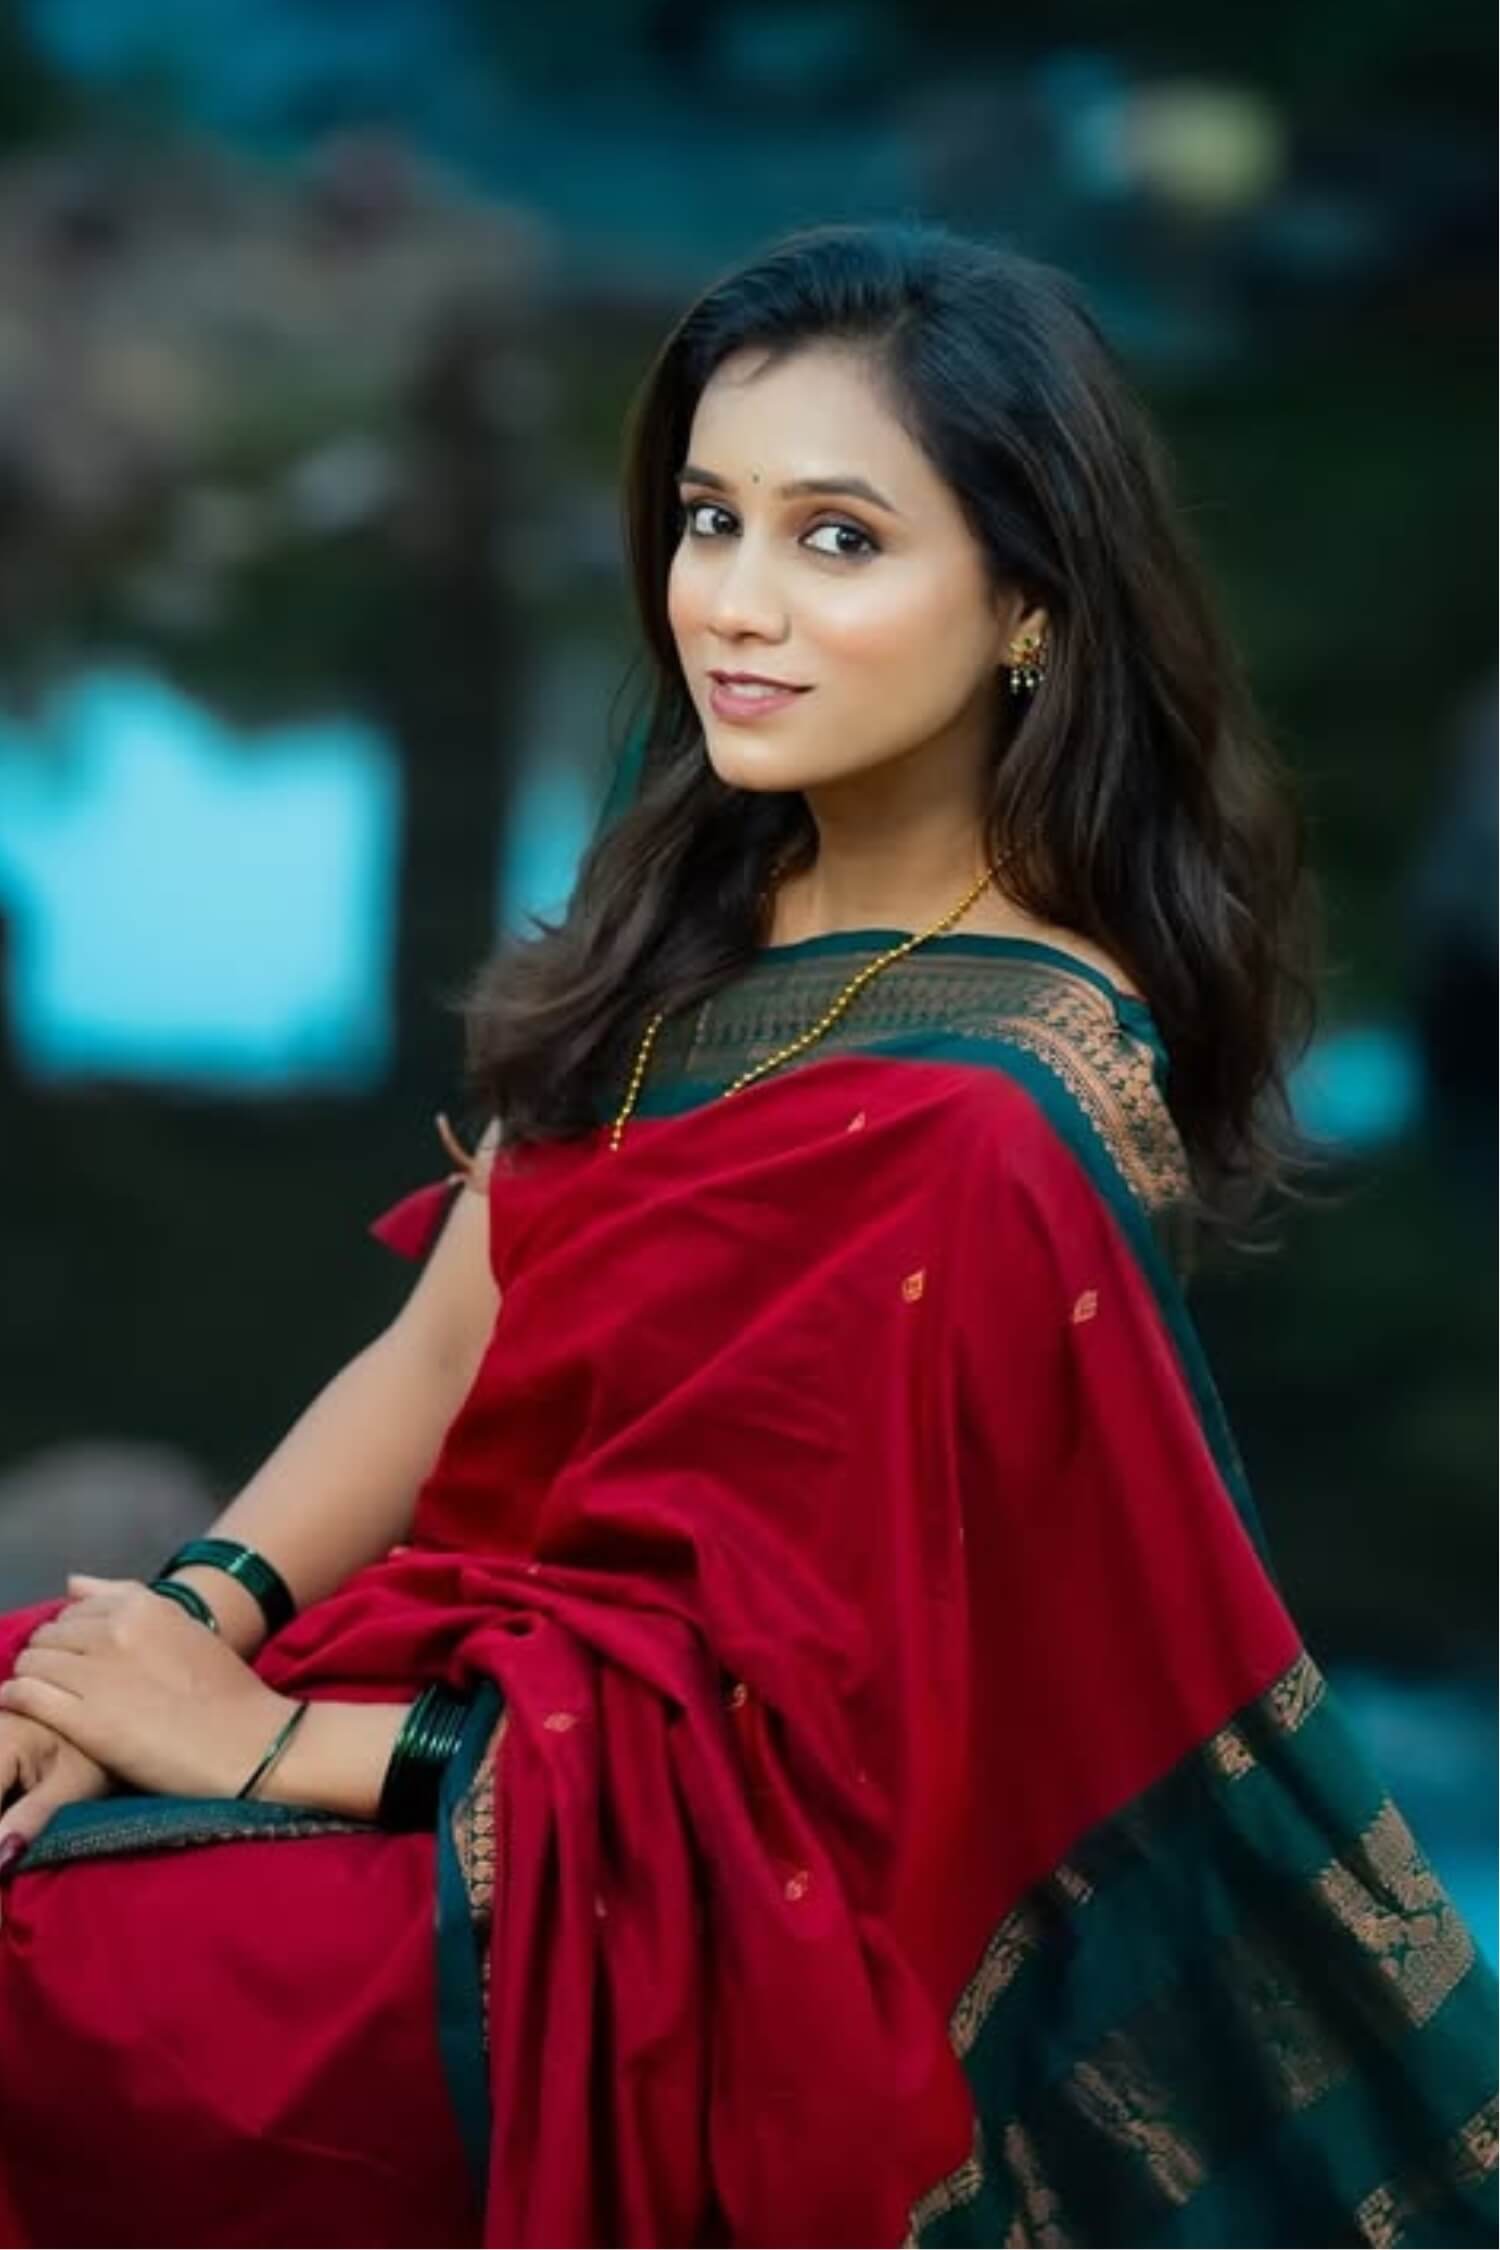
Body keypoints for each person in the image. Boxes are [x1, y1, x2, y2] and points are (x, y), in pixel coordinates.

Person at [0, 220, 1494, 2249]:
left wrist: (259, 1742)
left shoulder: (993, 1125)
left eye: (840, 540)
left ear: (1032, 606)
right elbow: (448, 1345)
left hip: (607, 1933)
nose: (737, 606)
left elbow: (804, 1780)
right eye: (713, 520)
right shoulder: (706, 906)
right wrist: (186, 1620)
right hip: (437, 1703)